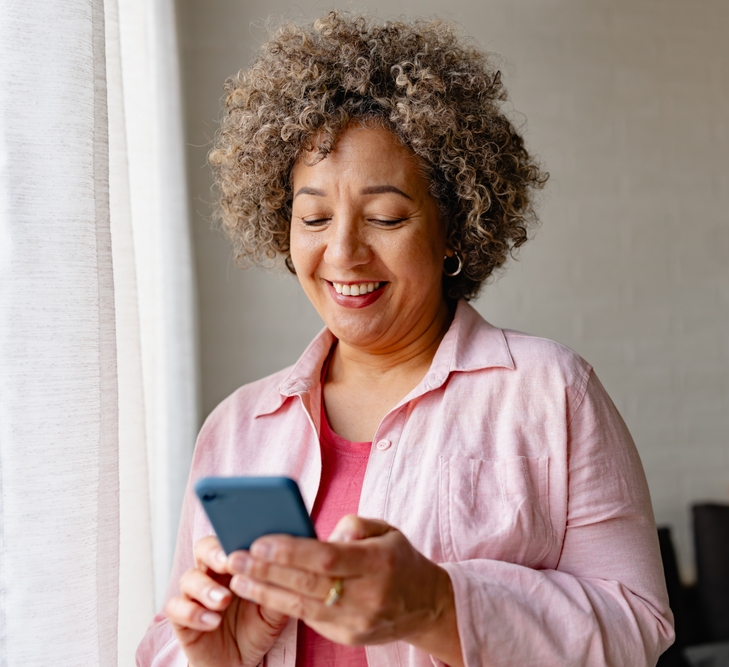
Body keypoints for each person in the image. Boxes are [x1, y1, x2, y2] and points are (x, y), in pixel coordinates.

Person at [137, 11, 674, 667]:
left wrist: (437, 604)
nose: (342, 252)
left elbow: (638, 627)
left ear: (453, 227)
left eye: (386, 215)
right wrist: (215, 656)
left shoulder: (552, 393)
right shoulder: (237, 427)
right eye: (313, 216)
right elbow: (170, 637)